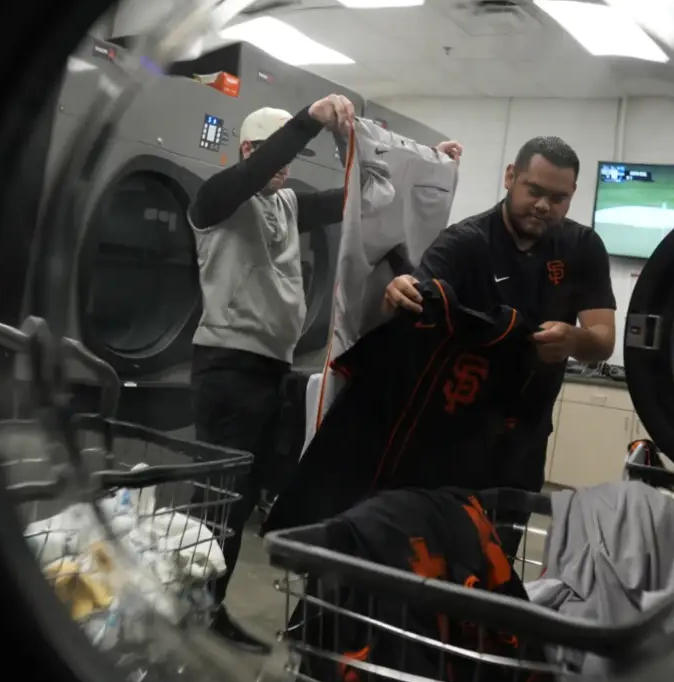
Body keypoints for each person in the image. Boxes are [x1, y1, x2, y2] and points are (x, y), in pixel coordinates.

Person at [188, 93, 460, 651]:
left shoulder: (289, 205)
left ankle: (208, 607)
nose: (284, 169)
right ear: (248, 151)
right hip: (227, 366)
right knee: (219, 497)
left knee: (244, 499)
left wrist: (425, 165)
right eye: (274, 156)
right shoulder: (217, 201)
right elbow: (252, 175)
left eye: (288, 161)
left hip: (273, 368)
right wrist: (308, 123)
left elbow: (364, 201)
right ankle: (190, 611)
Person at [382, 136, 617, 527]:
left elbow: (603, 341)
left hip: (525, 439)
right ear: (511, 177)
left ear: (572, 195)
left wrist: (574, 339)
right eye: (534, 190)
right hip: (450, 436)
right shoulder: (465, 242)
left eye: (557, 198)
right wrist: (398, 293)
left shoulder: (582, 247)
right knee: (437, 547)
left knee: (499, 551)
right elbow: (411, 304)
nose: (543, 205)